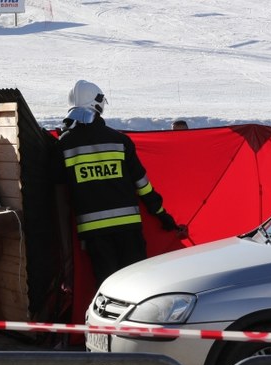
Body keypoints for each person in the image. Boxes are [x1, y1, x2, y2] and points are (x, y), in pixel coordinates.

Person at [55, 80, 185, 286]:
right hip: (129, 230)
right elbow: (142, 184)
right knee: (139, 286)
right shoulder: (119, 140)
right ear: (98, 105)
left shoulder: (63, 145)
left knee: (109, 289)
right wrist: (162, 215)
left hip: (93, 234)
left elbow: (61, 195)